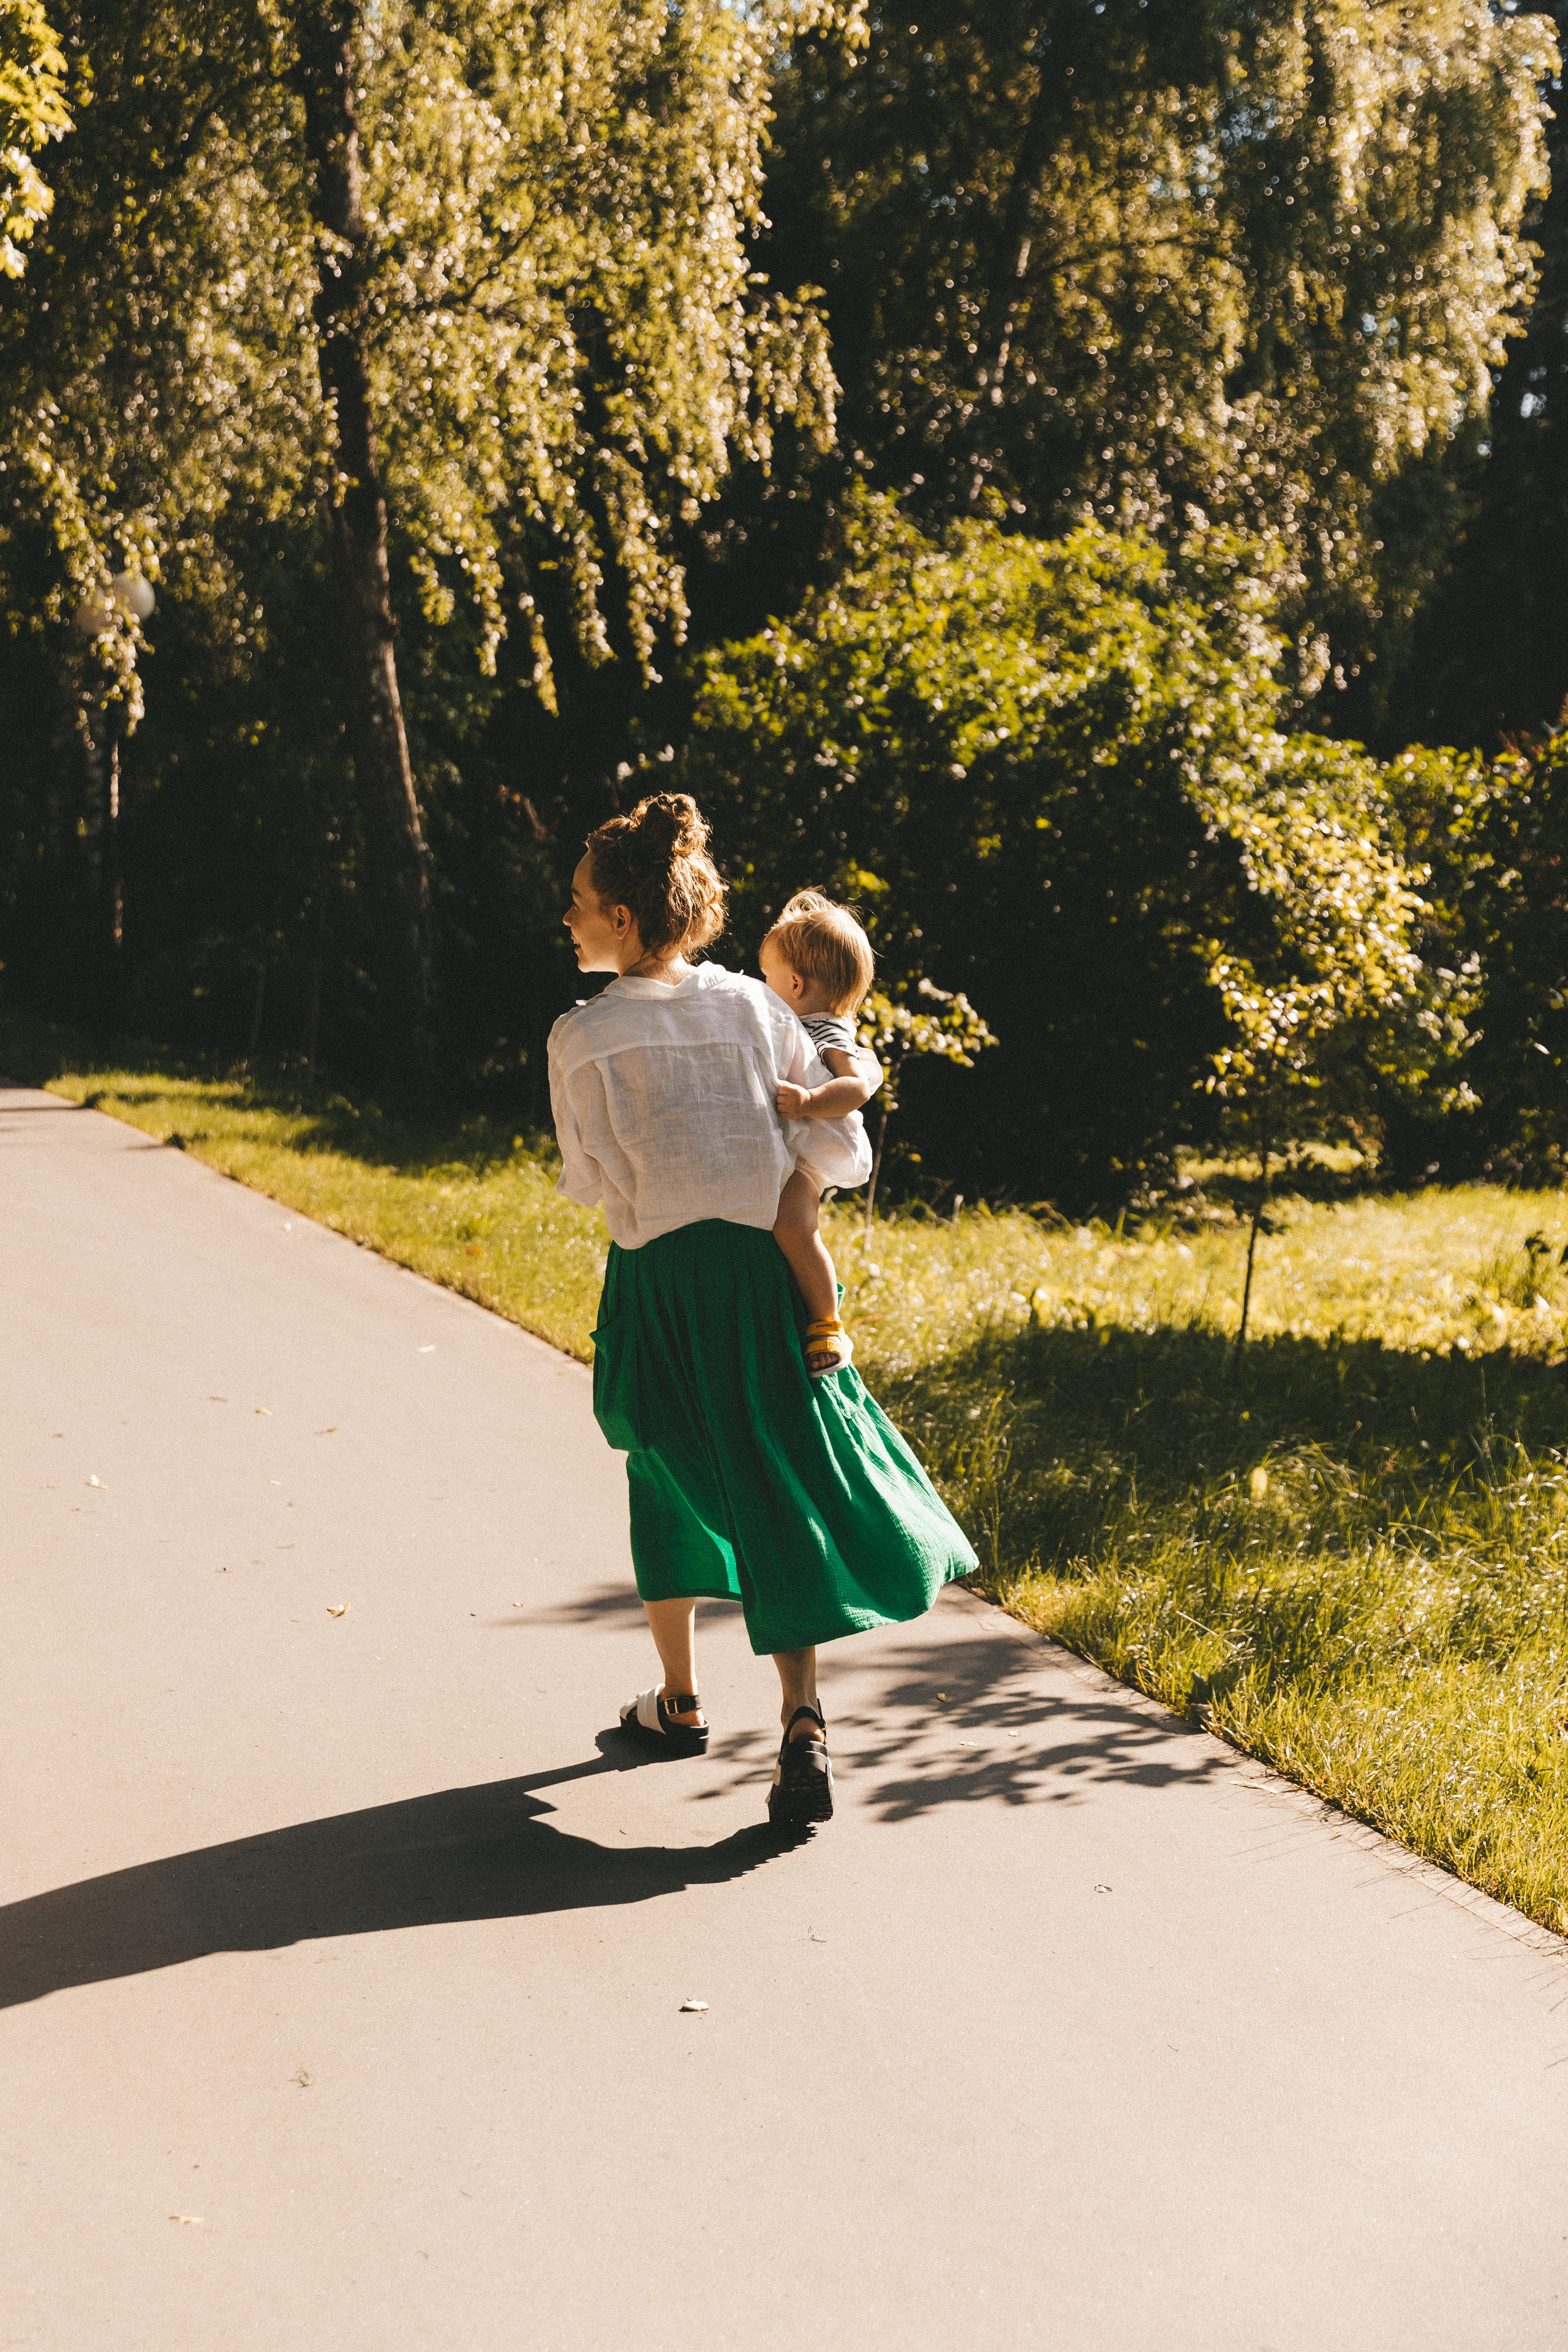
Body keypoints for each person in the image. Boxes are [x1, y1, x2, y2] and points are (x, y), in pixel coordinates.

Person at [548, 791, 978, 1831]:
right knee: (773, 1476)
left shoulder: (580, 1040)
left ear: (623, 920)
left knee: (660, 1471)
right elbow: (833, 1146)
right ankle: (801, 1718)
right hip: (758, 1281)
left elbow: (597, 1183)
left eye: (577, 902)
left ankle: (681, 1700)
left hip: (657, 1285)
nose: (565, 919)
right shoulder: (752, 1005)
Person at [760, 891, 878, 1379]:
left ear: (794, 982)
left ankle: (826, 1323)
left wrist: (810, 1102)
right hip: (793, 1142)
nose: (763, 987)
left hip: (813, 1151)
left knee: (793, 1224)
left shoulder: (826, 1030)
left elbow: (856, 1087)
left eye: (768, 979)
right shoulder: (792, 1019)